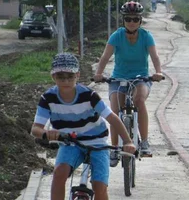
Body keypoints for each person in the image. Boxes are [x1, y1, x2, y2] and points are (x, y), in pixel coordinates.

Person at [30, 53, 136, 200]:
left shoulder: (89, 95)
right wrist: (47, 133)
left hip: (97, 143)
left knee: (100, 186)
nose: (66, 80)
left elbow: (112, 118)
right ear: (53, 77)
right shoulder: (48, 98)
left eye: (70, 76)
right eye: (61, 76)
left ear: (77, 75)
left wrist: (127, 141)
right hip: (69, 142)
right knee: (59, 174)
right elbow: (35, 128)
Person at [93, 1, 163, 167]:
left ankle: (144, 142)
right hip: (118, 78)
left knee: (139, 100)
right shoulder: (116, 36)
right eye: (128, 19)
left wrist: (158, 72)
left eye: (135, 19)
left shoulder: (146, 36)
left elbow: (154, 56)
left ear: (140, 21)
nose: (132, 22)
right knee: (115, 109)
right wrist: (98, 74)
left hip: (141, 78)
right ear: (123, 20)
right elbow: (105, 57)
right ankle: (114, 149)